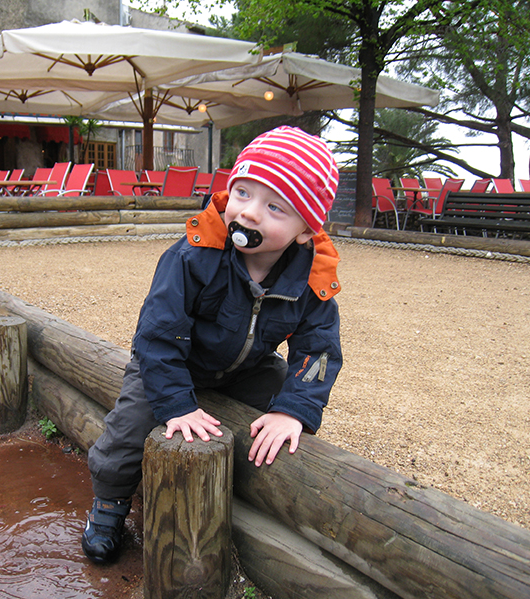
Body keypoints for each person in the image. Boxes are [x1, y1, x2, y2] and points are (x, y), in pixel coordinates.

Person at [82, 126, 343, 564]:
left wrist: (292, 411)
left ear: (305, 230)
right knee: (130, 426)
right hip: (174, 360)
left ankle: (263, 488)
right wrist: (176, 404)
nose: (250, 213)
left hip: (245, 367)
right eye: (243, 193)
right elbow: (157, 334)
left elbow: (318, 350)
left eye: (275, 207)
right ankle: (109, 502)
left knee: (286, 393)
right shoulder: (194, 254)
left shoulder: (312, 277)